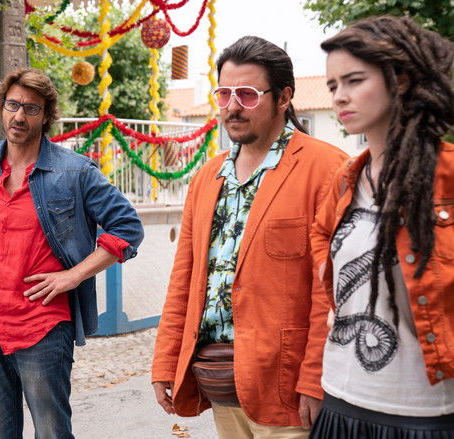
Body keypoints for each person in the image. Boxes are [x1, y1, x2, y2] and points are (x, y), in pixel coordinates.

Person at [151, 36, 349, 438]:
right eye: (224, 94)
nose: (232, 106)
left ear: (284, 98)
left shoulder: (327, 170)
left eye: (248, 94)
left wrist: (315, 379)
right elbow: (184, 279)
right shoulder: (207, 177)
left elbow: (331, 291)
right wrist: (166, 361)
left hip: (287, 385)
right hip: (221, 380)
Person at [0, 67, 144, 438]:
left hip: (42, 328)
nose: (19, 116)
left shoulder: (75, 172)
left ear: (46, 115)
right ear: (1, 107)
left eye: (31, 108)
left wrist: (73, 276)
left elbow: (127, 228)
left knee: (51, 433)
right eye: (12, 105)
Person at [310, 15, 454, 438]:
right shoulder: (345, 180)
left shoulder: (448, 176)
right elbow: (320, 238)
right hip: (340, 398)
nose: (339, 96)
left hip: (423, 412)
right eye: (333, 85)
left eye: (354, 81)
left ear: (402, 79)